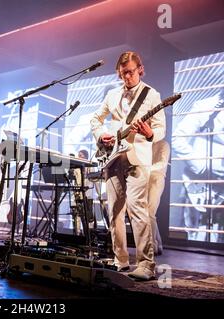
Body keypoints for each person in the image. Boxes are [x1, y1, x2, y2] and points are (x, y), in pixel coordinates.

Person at [90, 51, 166, 281]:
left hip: (137, 159)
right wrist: (102, 134)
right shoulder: (112, 95)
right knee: (114, 212)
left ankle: (146, 264)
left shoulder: (152, 95)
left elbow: (161, 128)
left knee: (137, 210)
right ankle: (120, 261)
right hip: (113, 159)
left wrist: (150, 132)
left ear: (140, 69)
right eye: (123, 74)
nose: (127, 77)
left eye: (131, 72)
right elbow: (95, 119)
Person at [172, 61, 224, 243]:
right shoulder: (205, 107)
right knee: (200, 236)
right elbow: (177, 139)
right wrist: (203, 167)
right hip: (204, 186)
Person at [148, 140, 170, 255]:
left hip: (157, 178)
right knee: (149, 213)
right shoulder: (147, 144)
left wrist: (146, 168)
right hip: (145, 179)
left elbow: (163, 162)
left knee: (150, 212)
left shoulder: (163, 144)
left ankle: (152, 245)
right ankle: (157, 244)